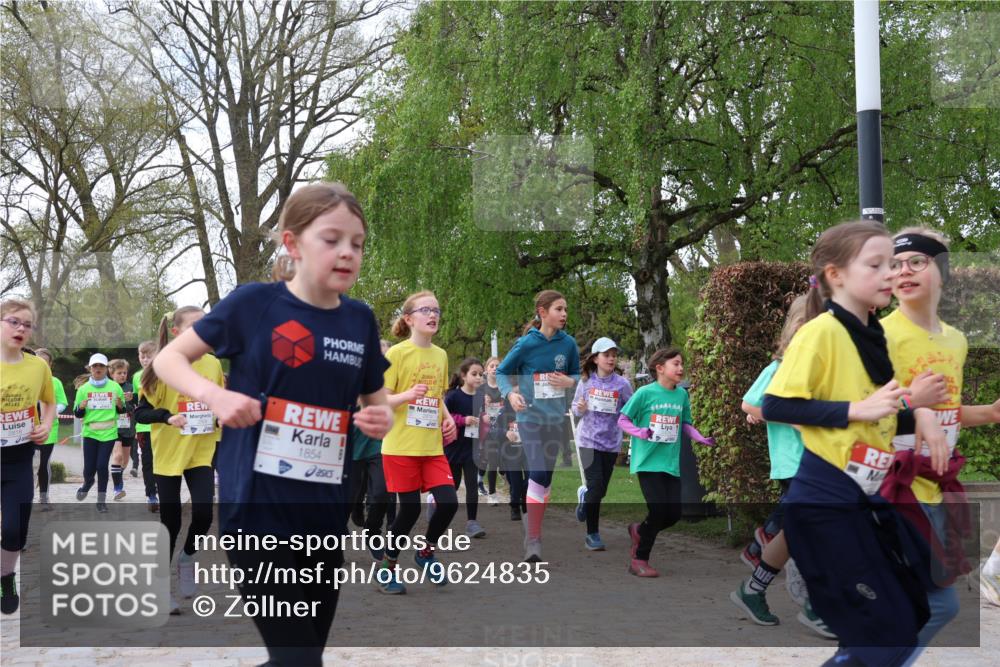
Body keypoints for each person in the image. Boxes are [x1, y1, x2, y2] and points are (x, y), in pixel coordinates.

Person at [150, 182, 392, 665]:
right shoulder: (253, 305)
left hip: (324, 512)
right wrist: (215, 395)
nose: (347, 253)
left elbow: (376, 399)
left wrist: (379, 416)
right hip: (257, 510)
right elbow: (169, 360)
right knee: (296, 658)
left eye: (357, 244)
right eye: (332, 239)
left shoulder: (360, 321)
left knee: (304, 659)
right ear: (292, 243)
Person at [763, 220, 950, 667]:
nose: (890, 274)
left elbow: (876, 417)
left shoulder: (872, 336)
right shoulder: (821, 332)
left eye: (893, 264)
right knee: (885, 632)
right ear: (836, 274)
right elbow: (775, 405)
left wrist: (917, 411)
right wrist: (857, 409)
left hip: (869, 498)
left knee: (923, 607)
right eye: (876, 264)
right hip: (826, 501)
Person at [378, 290, 459, 594]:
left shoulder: (440, 355)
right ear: (409, 319)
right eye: (425, 310)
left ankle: (425, 552)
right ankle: (388, 565)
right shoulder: (396, 354)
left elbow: (436, 395)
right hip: (400, 447)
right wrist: (407, 396)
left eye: (436, 310)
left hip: (431, 447)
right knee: (409, 510)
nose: (433, 315)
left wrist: (447, 417)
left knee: (449, 503)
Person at [496, 290, 580, 562]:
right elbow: (501, 372)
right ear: (543, 312)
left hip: (555, 421)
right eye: (559, 309)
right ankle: (533, 539)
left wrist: (571, 382)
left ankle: (532, 526)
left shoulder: (568, 345)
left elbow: (577, 375)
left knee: (544, 481)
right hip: (529, 418)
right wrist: (511, 394)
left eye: (565, 309)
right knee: (538, 471)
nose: (564, 314)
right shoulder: (526, 344)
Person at [618, 348, 716, 577]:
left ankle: (639, 530)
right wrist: (640, 432)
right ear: (660, 368)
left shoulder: (681, 395)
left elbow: (685, 423)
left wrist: (698, 436)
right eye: (676, 364)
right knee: (658, 509)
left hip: (670, 463)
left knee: (672, 515)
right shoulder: (644, 393)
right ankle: (639, 560)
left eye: (682, 364)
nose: (681, 368)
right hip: (648, 462)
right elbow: (623, 419)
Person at [0, 299, 56, 614]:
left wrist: (46, 424)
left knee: (15, 529)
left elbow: (48, 403)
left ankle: (5, 575)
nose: (21, 328)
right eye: (14, 322)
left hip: (20, 458)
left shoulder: (38, 366)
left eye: (27, 324)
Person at [571, 337, 633, 551]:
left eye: (614, 355)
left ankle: (584, 498)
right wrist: (580, 406)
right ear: (596, 358)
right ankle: (592, 534)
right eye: (607, 355)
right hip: (587, 440)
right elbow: (576, 410)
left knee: (600, 490)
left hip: (611, 443)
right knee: (596, 486)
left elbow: (630, 409)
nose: (611, 359)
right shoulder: (586, 381)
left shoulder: (622, 384)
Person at [73, 353, 126, 512]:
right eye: (95, 366)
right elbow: (77, 414)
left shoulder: (115, 387)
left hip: (108, 432)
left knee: (102, 466)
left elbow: (122, 410)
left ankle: (101, 500)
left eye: (101, 366)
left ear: (106, 369)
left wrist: (119, 404)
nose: (98, 369)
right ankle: (88, 483)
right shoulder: (83, 389)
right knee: (89, 468)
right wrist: (81, 407)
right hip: (90, 432)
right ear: (90, 368)